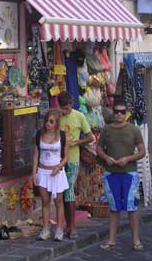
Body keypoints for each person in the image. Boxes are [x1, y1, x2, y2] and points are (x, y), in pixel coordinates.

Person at [96, 99, 146, 251]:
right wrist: (106, 158)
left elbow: (142, 151)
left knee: (132, 207)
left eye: (122, 112)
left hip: (129, 173)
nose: (119, 114)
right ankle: (111, 240)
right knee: (113, 208)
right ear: (113, 112)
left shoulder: (134, 130)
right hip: (111, 173)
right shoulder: (106, 129)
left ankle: (136, 240)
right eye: (116, 111)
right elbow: (98, 148)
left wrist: (128, 159)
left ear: (126, 113)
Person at [58, 91, 94, 239]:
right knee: (61, 194)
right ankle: (66, 225)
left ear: (71, 104)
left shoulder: (79, 116)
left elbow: (90, 137)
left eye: (67, 108)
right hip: (57, 160)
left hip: (72, 159)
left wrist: (76, 142)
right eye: (62, 108)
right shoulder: (57, 116)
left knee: (69, 192)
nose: (65, 111)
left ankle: (72, 227)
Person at [32, 109, 69, 241]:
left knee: (58, 201)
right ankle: (46, 228)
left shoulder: (62, 136)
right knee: (45, 201)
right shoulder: (39, 135)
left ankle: (59, 229)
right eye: (47, 120)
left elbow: (66, 157)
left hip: (57, 172)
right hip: (43, 171)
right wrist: (34, 173)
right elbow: (36, 155)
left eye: (51, 121)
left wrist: (59, 167)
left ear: (56, 123)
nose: (48, 123)